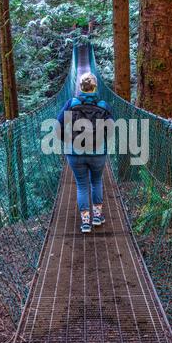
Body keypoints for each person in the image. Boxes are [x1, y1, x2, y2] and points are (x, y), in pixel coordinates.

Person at [57, 72, 113, 233]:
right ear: (95, 86)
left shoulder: (71, 103)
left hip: (75, 153)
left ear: (80, 87)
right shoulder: (103, 105)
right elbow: (111, 129)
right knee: (96, 182)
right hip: (98, 153)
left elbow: (57, 126)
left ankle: (85, 223)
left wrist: (67, 140)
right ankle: (97, 217)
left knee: (82, 185)